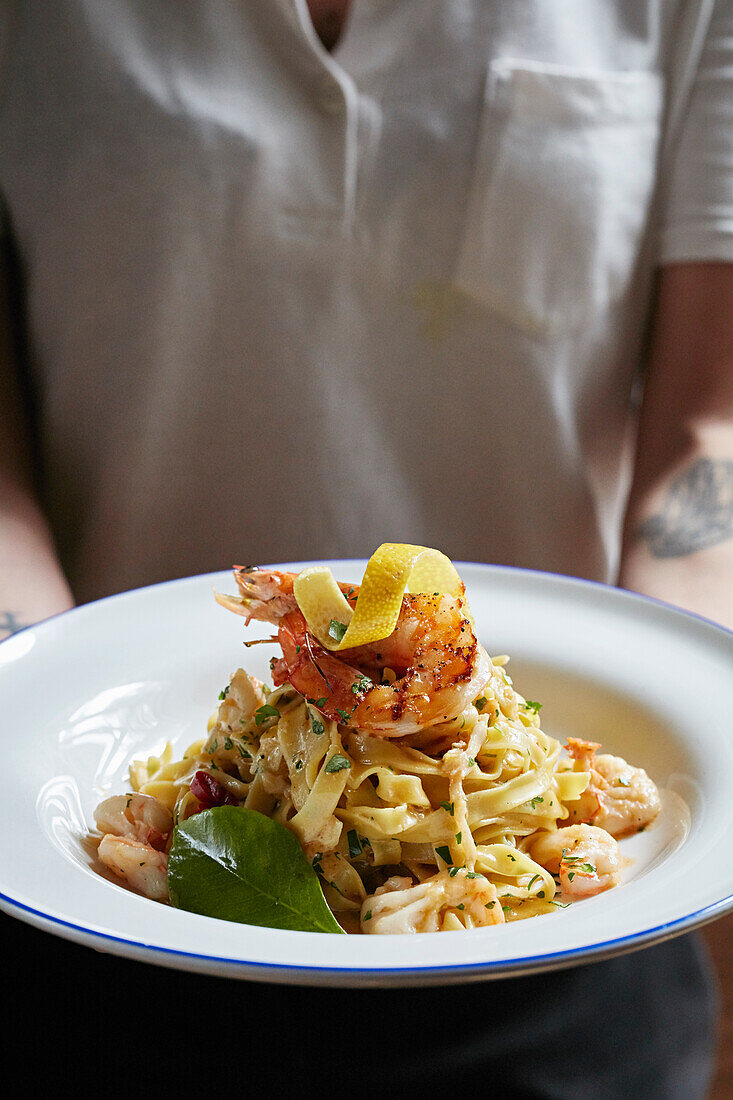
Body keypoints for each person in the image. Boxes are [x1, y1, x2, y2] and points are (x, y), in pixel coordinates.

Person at [0, 1, 730, 1094]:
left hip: (566, 990)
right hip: (98, 957)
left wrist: (694, 684)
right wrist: (28, 692)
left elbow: (704, 429)